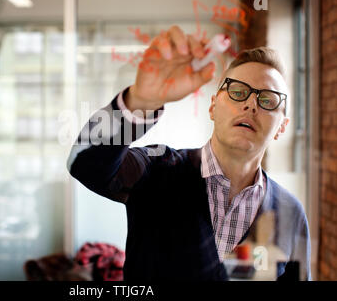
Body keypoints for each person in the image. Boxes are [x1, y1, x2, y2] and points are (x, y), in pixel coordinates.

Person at [67, 25, 311, 281]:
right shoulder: (157, 168)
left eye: (268, 100)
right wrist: (139, 101)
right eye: (238, 92)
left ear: (282, 127)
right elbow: (84, 163)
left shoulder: (290, 213)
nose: (250, 104)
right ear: (213, 107)